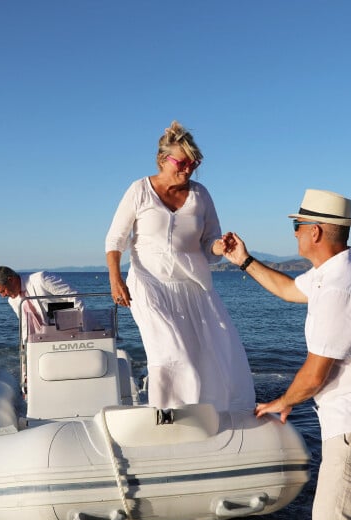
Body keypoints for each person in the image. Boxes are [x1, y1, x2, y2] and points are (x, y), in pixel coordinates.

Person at [222, 189, 351, 520]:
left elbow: (316, 374)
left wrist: (282, 402)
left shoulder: (341, 288)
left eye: (297, 226)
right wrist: (244, 260)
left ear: (315, 232)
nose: (294, 234)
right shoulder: (329, 275)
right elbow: (287, 289)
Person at [105, 121, 255, 412]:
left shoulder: (201, 195)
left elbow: (209, 240)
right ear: (163, 160)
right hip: (149, 285)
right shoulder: (140, 190)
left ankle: (210, 411)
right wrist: (115, 279)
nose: (188, 169)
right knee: (170, 352)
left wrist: (218, 247)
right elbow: (115, 239)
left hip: (193, 287)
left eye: (194, 163)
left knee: (212, 353)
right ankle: (166, 416)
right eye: (182, 162)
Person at [0, 266, 84, 338]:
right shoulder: (12, 301)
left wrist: (81, 333)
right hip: (42, 340)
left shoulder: (41, 279)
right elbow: (25, 325)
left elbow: (75, 296)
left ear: (11, 280)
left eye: (3, 291)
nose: (3, 296)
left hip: (72, 333)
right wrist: (25, 349)